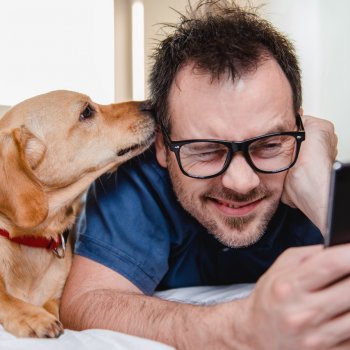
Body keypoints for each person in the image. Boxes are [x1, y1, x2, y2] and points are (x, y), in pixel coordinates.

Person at [60, 1, 349, 349]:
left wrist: (322, 192)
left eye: (269, 144)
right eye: (206, 150)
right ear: (163, 146)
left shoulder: (310, 168)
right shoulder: (131, 181)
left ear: (299, 127)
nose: (242, 182)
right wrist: (241, 327)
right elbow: (86, 303)